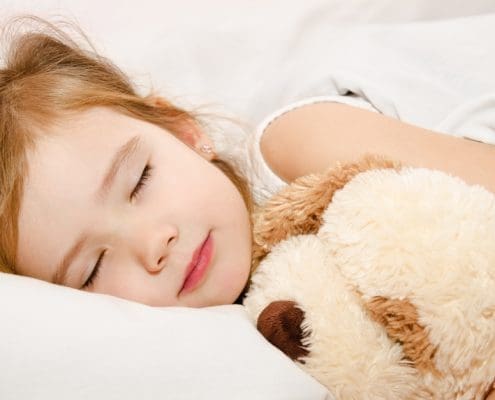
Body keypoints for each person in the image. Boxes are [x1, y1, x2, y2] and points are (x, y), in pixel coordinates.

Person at [1, 16, 494, 309]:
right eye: (93, 268)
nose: (154, 242)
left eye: (140, 181)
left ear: (183, 131)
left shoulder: (295, 143)